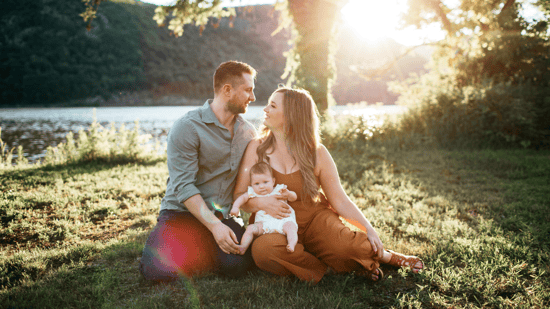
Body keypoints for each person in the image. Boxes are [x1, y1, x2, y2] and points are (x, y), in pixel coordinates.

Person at [233, 86, 424, 284]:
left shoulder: (317, 152)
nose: (265, 109)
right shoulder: (256, 148)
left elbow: (339, 199)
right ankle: (329, 267)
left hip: (316, 219)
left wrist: (368, 228)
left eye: (272, 106)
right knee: (264, 252)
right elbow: (239, 195)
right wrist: (262, 204)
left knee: (350, 248)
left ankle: (387, 256)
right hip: (274, 226)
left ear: (291, 115)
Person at [139, 61, 258, 281]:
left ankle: (200, 248)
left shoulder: (248, 133)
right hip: (181, 214)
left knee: (239, 267)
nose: (253, 97)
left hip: (223, 215)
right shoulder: (187, 127)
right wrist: (214, 227)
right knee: (157, 272)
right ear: (227, 90)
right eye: (248, 90)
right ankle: (196, 245)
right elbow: (183, 186)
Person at [230, 162, 298, 255]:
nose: (261, 186)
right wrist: (235, 207)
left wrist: (289, 194)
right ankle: (243, 247)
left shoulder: (279, 189)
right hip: (263, 224)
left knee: (291, 228)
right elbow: (242, 198)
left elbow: (294, 197)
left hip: (283, 221)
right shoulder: (253, 192)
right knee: (250, 229)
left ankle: (291, 244)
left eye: (265, 182)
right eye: (257, 183)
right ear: (252, 184)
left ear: (273, 181)